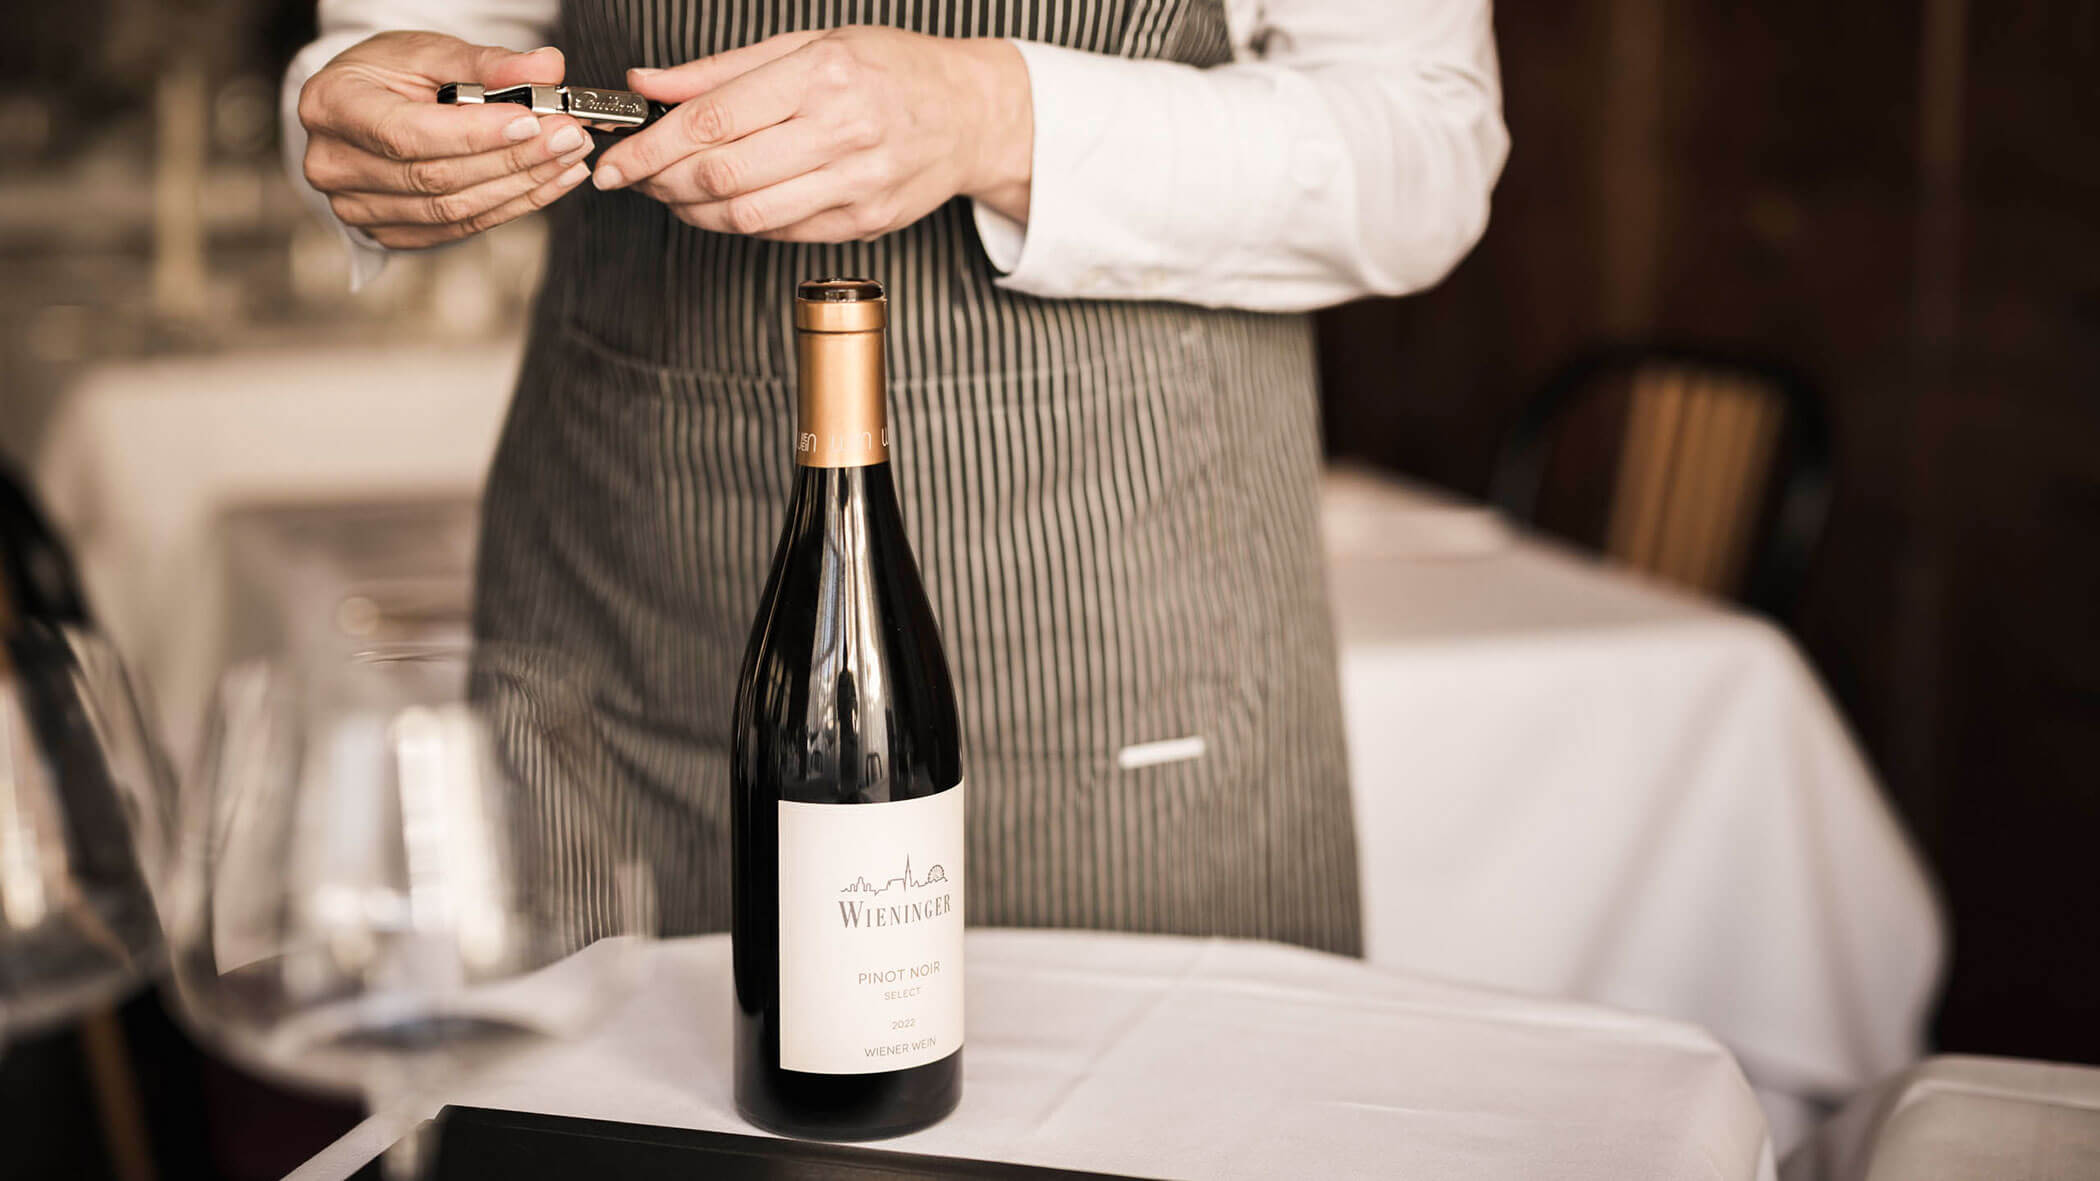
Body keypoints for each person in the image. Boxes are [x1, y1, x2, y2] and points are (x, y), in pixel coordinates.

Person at [283, 0, 1507, 953]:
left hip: (1124, 662)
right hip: (622, 635)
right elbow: (389, 47)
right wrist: (358, 112)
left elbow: (1424, 145)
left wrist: (999, 116)